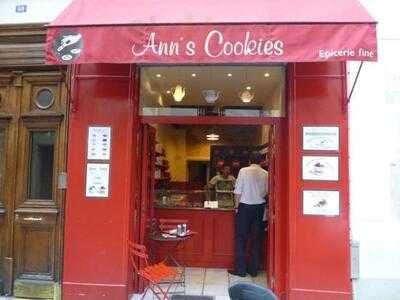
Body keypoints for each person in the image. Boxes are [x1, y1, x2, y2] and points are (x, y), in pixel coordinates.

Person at [229, 152, 268, 277]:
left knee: (241, 238)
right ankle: (254, 270)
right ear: (261, 161)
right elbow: (267, 192)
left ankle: (240, 270)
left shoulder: (243, 171)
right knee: (257, 239)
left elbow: (238, 190)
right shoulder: (266, 173)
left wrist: (236, 206)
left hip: (245, 207)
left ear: (250, 160)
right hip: (260, 208)